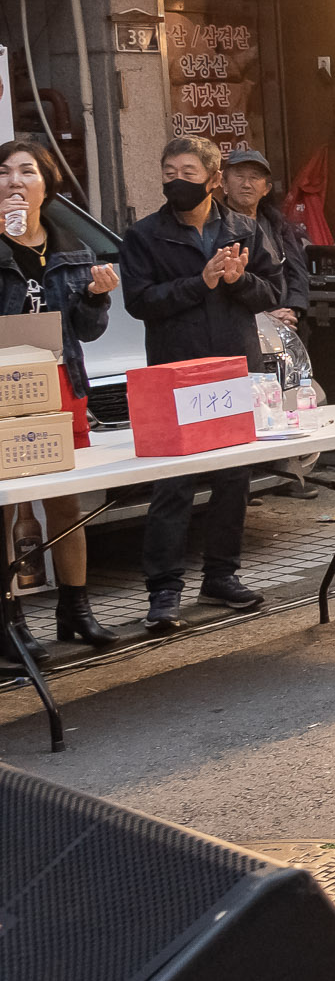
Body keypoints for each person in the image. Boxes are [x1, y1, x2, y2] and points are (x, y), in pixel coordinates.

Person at [120, 136, 283, 631]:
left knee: (234, 476)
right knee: (174, 482)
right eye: (169, 173)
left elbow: (273, 291)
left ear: (214, 180)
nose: (177, 182)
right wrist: (201, 282)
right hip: (175, 371)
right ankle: (164, 589)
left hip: (233, 367)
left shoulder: (245, 229)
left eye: (188, 173)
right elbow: (140, 302)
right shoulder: (144, 234)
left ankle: (221, 576)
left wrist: (237, 280)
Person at [0, 139, 121, 654]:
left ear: (46, 184)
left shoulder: (72, 249)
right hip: (4, 392)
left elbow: (88, 332)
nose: (14, 182)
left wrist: (97, 296)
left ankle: (76, 608)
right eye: (3, 173)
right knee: (2, 508)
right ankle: (9, 621)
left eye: (26, 172)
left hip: (60, 385)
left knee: (65, 504)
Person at [218, 146, 308, 328]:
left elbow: (297, 272)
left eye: (254, 177)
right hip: (242, 323)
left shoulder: (277, 224)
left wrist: (292, 309)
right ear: (224, 184)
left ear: (266, 189)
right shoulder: (216, 225)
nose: (246, 184)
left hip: (285, 320)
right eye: (239, 176)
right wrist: (265, 317)